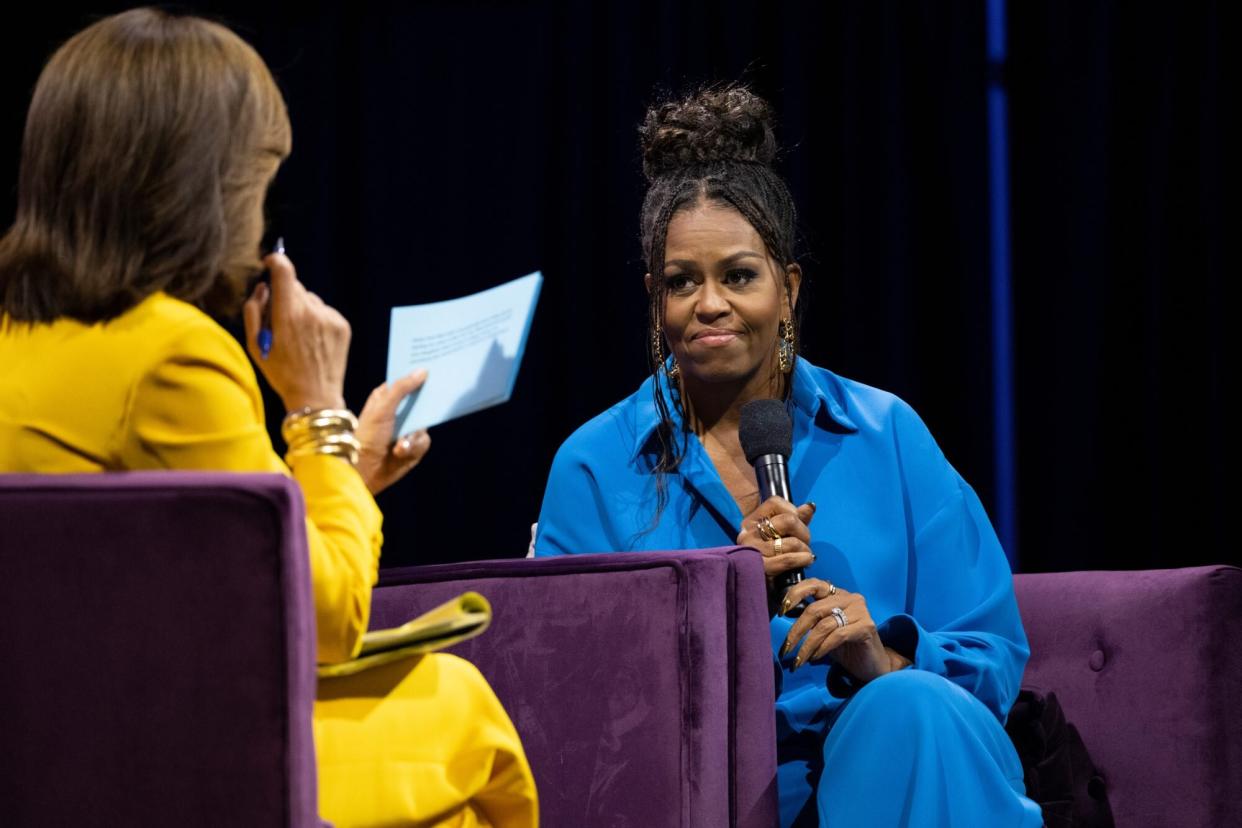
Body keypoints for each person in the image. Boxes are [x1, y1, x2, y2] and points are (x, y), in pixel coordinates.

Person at [0, 9, 537, 827]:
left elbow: (205, 561)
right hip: (175, 766)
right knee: (462, 711)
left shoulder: (18, 340)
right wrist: (317, 407)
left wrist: (347, 467)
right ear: (203, 189)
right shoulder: (175, 354)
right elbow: (321, 619)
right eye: (257, 183)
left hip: (49, 755)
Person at [534, 85, 1042, 827]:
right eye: (682, 283)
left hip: (906, 775)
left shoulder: (886, 433)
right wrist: (722, 606)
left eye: (738, 275)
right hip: (711, 801)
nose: (710, 304)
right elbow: (570, 706)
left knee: (905, 710)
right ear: (654, 300)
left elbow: (991, 653)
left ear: (788, 287)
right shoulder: (594, 467)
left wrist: (881, 660)